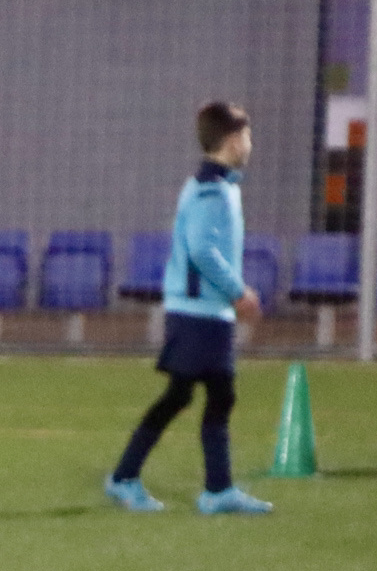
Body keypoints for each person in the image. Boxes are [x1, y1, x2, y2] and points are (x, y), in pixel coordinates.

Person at [105, 101, 273, 515]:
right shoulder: (212, 190)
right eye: (247, 135)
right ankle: (133, 479)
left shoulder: (219, 186)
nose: (250, 143)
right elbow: (200, 248)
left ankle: (214, 488)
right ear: (233, 140)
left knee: (202, 395)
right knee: (196, 396)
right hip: (199, 312)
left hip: (202, 311)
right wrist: (238, 291)